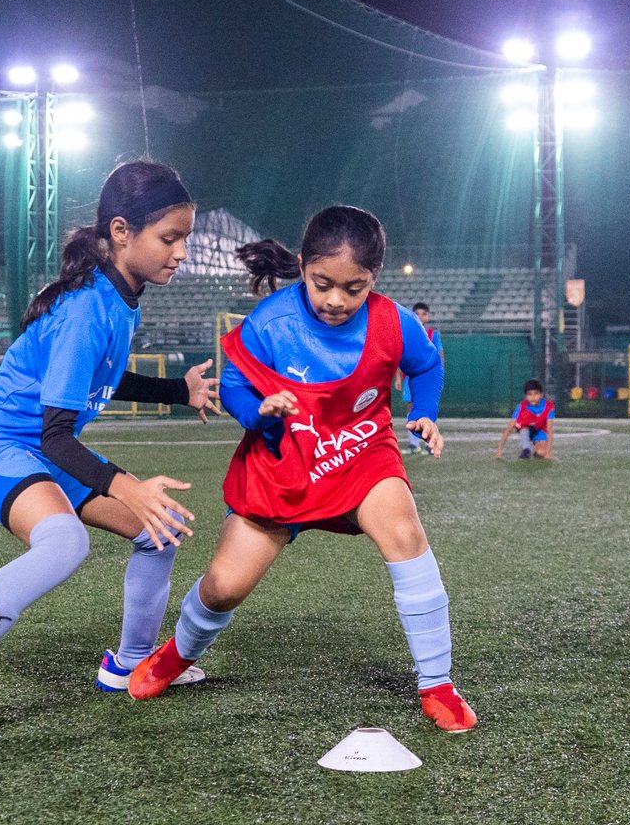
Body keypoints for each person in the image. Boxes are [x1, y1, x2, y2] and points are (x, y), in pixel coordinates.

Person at [0, 161, 219, 765]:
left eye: (185, 237)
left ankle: (130, 665)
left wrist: (175, 392)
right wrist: (126, 485)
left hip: (43, 446)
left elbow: (99, 380)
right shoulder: (87, 308)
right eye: (170, 238)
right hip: (0, 445)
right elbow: (56, 436)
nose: (182, 252)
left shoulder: (119, 296)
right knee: (63, 545)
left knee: (158, 534)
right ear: (122, 231)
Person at [127, 205, 477, 734]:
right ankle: (177, 654)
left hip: (362, 453)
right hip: (282, 461)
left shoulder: (393, 321)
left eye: (353, 288)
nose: (336, 300)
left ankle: (438, 683)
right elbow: (239, 387)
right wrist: (258, 412)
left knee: (405, 532)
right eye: (323, 283)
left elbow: (426, 365)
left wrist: (424, 413)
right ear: (303, 266)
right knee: (224, 586)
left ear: (373, 279)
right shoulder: (271, 321)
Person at [393, 301, 443, 454]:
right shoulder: (406, 331)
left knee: (426, 407)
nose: (421, 316)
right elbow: (398, 355)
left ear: (428, 317)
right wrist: (398, 378)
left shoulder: (433, 334)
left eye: (424, 314)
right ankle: (414, 445)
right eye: (418, 314)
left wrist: (439, 374)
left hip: (425, 376)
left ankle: (429, 444)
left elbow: (439, 354)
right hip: (409, 376)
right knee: (410, 406)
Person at [495, 379, 555, 460]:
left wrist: (548, 453)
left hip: (540, 430)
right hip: (525, 428)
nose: (533, 397)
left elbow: (550, 429)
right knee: (519, 425)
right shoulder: (521, 407)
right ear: (525, 396)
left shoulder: (549, 406)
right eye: (529, 394)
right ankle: (526, 449)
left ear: (541, 394)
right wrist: (499, 450)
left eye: (536, 393)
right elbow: (509, 428)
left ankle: (536, 446)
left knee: (541, 453)